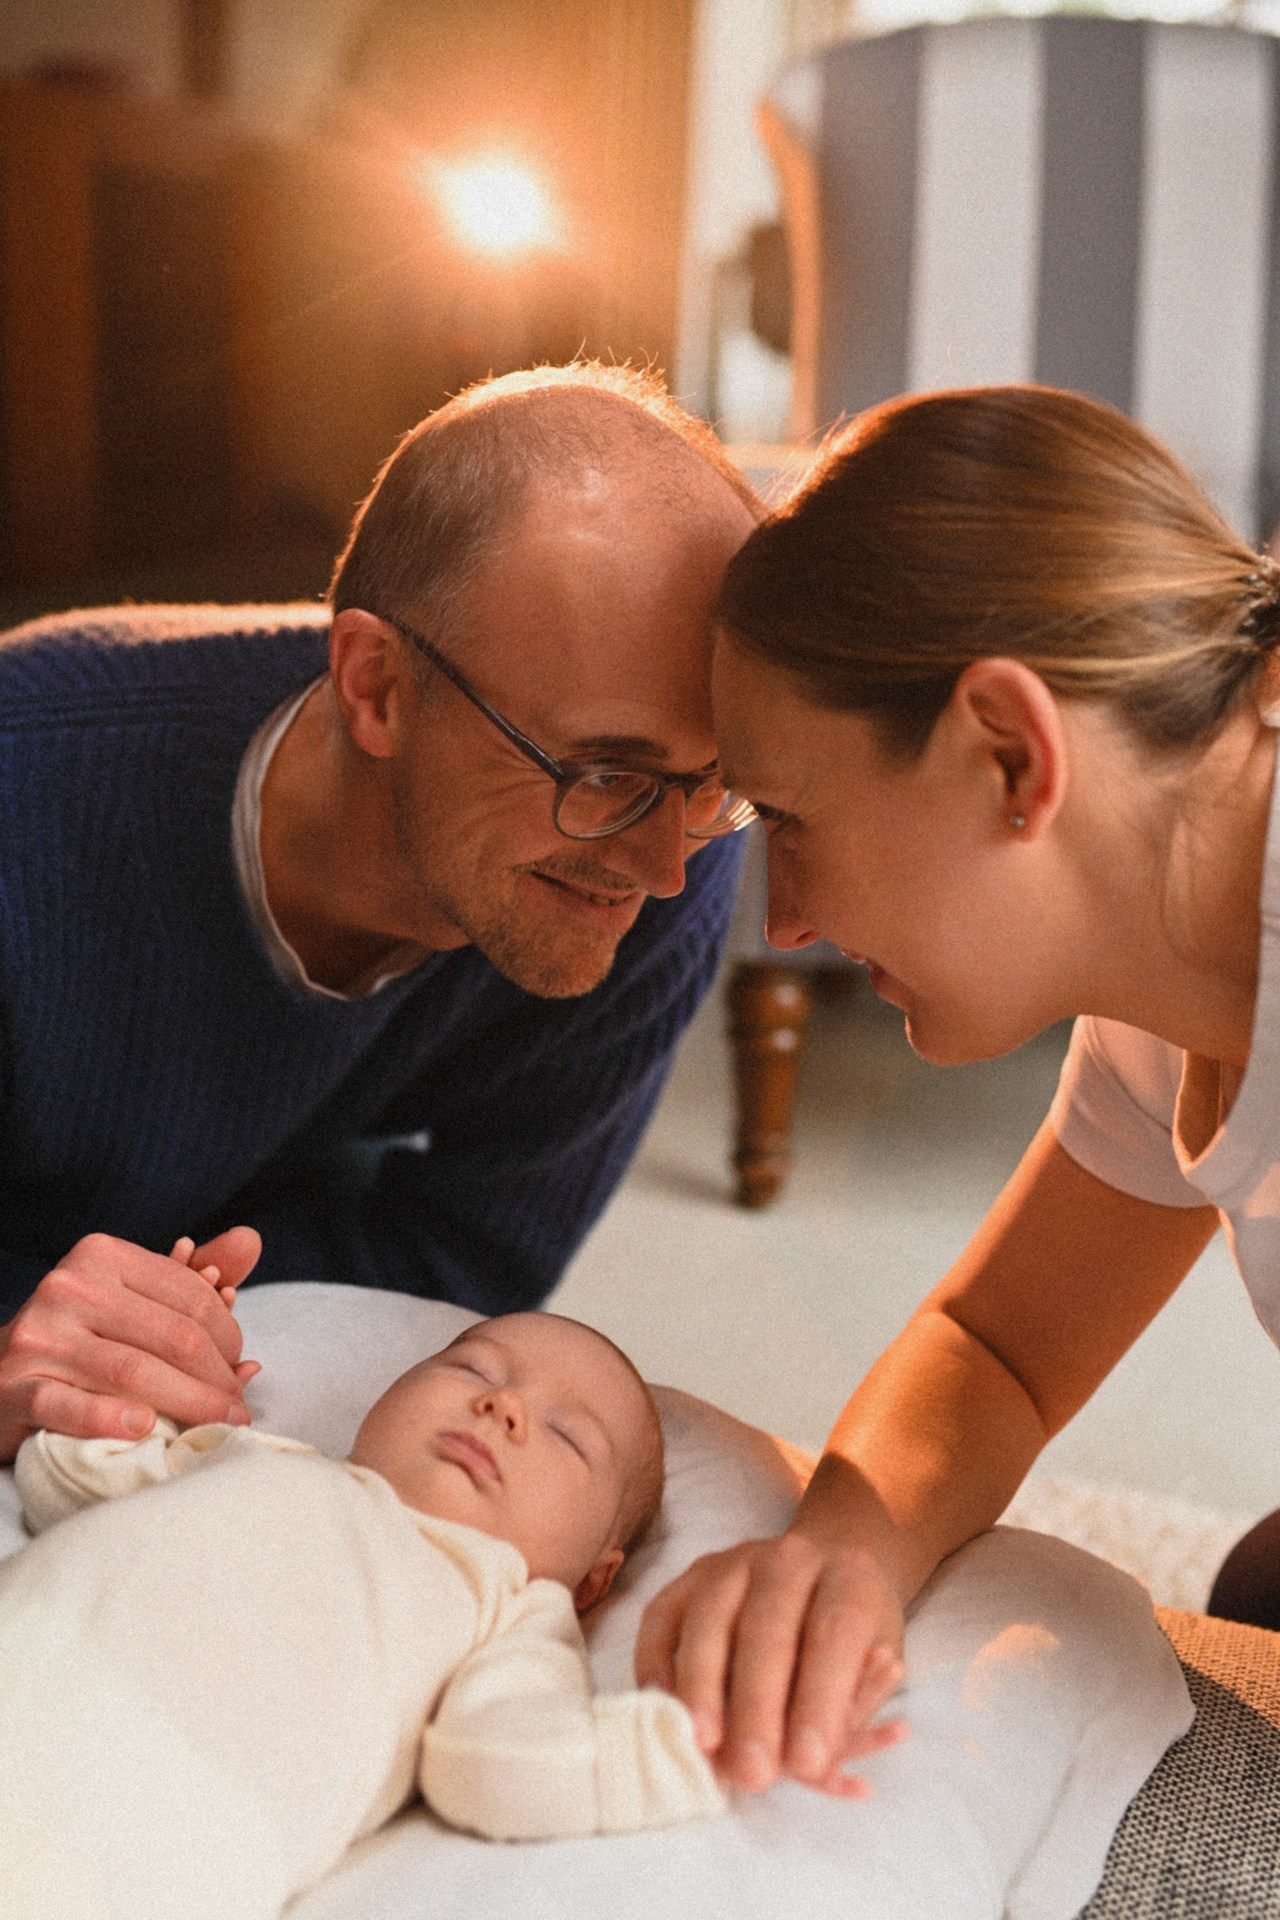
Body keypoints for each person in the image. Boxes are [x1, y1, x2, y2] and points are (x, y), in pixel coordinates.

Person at [637, 383, 1280, 1795]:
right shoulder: (1160, 981)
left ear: (1009, 753)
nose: (784, 919)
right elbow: (999, 1350)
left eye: (790, 820)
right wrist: (837, 1554)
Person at [0, 362, 759, 1465]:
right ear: (376, 687)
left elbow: (468, 1260)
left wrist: (187, 1322)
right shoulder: (26, 791)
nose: (660, 869)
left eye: (712, 784)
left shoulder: (666, 847)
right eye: (599, 771)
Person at [0, 1311, 723, 1918]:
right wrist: (150, 1384)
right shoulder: (259, 1456)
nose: (505, 1407)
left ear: (593, 1581)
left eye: (568, 1435)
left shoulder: (508, 1606)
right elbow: (66, 1474)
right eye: (473, 1370)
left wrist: (682, 1744)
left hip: (162, 1817)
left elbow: (500, 1760)